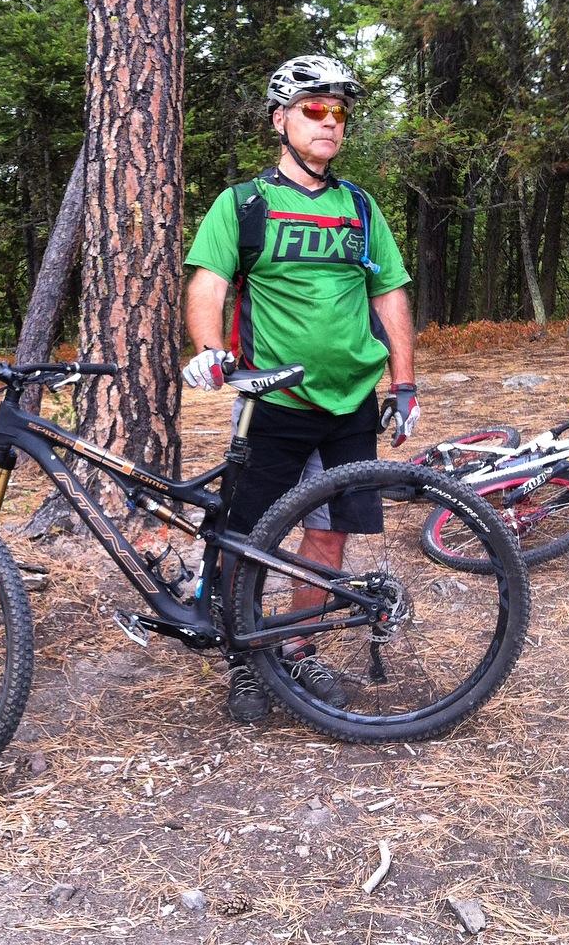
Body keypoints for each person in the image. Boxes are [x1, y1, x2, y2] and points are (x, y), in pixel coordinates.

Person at [181, 54, 419, 723]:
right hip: (274, 401)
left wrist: (404, 383)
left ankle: (296, 648)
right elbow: (209, 283)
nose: (331, 122)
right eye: (315, 109)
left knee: (330, 535)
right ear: (280, 119)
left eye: (340, 112)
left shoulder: (360, 208)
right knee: (245, 535)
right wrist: (208, 351)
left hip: (351, 405)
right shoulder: (244, 204)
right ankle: (244, 660)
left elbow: (391, 292)